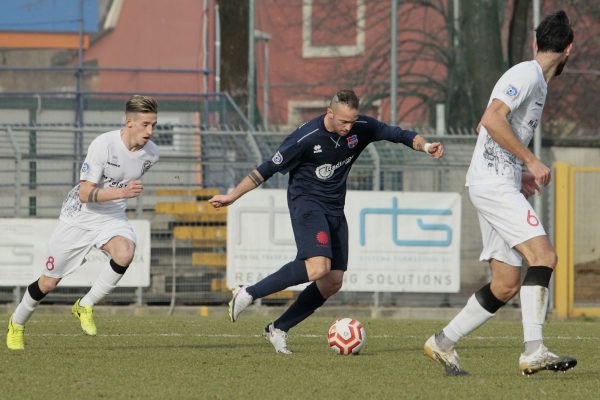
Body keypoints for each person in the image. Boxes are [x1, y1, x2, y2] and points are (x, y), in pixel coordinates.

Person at [209, 89, 444, 354]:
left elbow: (398, 134)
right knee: (318, 267)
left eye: (352, 121)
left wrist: (425, 146)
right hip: (307, 204)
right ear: (329, 112)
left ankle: (279, 327)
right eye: (343, 121)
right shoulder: (305, 137)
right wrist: (232, 196)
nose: (348, 127)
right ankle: (247, 293)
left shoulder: (360, 127)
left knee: (332, 281)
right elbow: (265, 169)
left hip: (334, 209)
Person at [424, 11, 576, 376]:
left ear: (536, 42)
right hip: (491, 184)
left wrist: (516, 172)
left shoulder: (536, 81)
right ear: (569, 49)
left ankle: (442, 342)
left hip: (497, 180)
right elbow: (492, 119)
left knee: (506, 283)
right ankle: (533, 350)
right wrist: (532, 161)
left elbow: (485, 124)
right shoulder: (526, 74)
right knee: (545, 256)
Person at [6, 95, 160, 350]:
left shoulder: (152, 154)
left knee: (126, 252)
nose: (150, 131)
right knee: (49, 282)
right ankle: (17, 323)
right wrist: (123, 192)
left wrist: (119, 196)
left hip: (111, 216)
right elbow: (85, 194)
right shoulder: (104, 145)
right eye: (145, 124)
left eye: (154, 124)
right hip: (79, 216)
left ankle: (85, 305)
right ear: (129, 121)